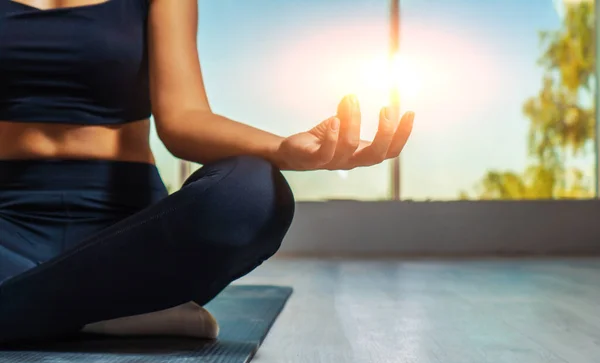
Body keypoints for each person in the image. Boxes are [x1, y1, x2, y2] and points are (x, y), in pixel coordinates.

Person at [0, 0, 415, 344]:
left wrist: (283, 149)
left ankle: (41, 310)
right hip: (7, 225)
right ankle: (120, 308)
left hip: (131, 229)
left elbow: (183, 121)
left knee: (254, 193)